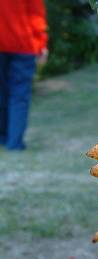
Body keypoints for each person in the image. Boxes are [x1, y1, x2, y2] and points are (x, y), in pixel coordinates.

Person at [0, 0, 48, 151]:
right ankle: (14, 143)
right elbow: (36, 15)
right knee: (19, 96)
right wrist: (41, 45)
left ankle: (3, 137)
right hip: (23, 45)